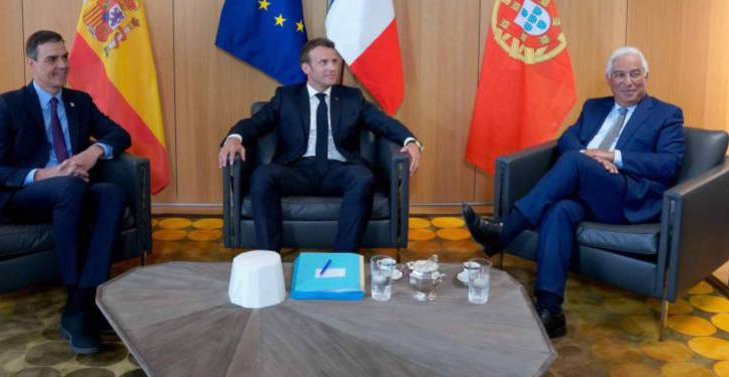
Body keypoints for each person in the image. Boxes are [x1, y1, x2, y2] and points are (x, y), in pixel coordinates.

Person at [461, 46, 684, 338]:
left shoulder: (667, 114)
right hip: (586, 190)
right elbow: (568, 138)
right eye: (620, 75)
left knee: (575, 163)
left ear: (646, 76)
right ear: (609, 79)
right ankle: (550, 309)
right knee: (559, 211)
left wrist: (612, 156)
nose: (628, 81)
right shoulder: (594, 106)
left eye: (635, 74)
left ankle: (505, 230)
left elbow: (669, 163)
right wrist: (589, 158)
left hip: (628, 197)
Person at [0, 30, 130, 354]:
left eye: (65, 57)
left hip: (72, 188)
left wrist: (94, 153)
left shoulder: (79, 102)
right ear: (31, 63)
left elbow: (120, 134)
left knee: (113, 194)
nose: (62, 65)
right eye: (52, 59)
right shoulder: (8, 105)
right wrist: (46, 174)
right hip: (24, 195)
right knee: (70, 188)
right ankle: (81, 304)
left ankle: (81, 301)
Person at [219, 37, 423, 252]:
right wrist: (234, 137)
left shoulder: (351, 98)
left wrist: (410, 141)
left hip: (339, 171)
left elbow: (383, 122)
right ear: (306, 68)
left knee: (362, 177)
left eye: (335, 62)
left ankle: (344, 257)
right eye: (323, 62)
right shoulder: (286, 97)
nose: (332, 67)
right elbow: (256, 123)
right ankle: (269, 257)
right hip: (296, 170)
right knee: (262, 175)